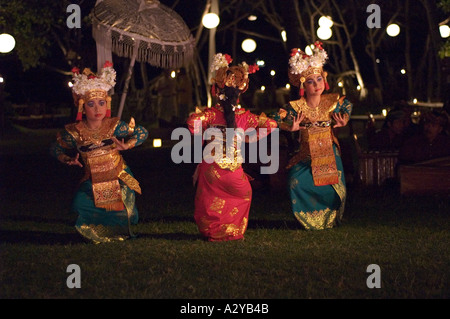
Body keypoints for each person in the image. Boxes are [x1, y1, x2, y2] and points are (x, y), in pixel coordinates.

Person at [50, 62, 149, 243]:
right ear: (82, 107)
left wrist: (128, 145)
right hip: (92, 178)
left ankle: (115, 230)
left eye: (102, 103)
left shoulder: (114, 126)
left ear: (107, 104)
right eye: (91, 104)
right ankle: (98, 231)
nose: (98, 109)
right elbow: (56, 148)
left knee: (122, 209)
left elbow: (141, 132)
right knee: (80, 204)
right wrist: (67, 159)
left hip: (117, 174)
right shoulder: (75, 132)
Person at [186, 53, 277, 241]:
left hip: (210, 167)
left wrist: (204, 133)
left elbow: (192, 122)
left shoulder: (210, 114)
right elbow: (271, 124)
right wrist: (250, 138)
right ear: (239, 94)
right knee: (244, 193)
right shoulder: (244, 116)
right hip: (233, 170)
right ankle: (231, 230)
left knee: (209, 199)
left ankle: (212, 230)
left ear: (217, 92)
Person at [276, 42, 352, 230]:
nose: (316, 84)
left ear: (324, 79)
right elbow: (277, 117)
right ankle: (308, 219)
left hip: (328, 150)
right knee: (296, 181)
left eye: (319, 79)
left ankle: (329, 218)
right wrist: (289, 127)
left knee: (331, 186)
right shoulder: (296, 107)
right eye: (310, 81)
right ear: (303, 85)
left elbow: (347, 106)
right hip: (306, 153)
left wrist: (344, 120)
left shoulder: (333, 102)